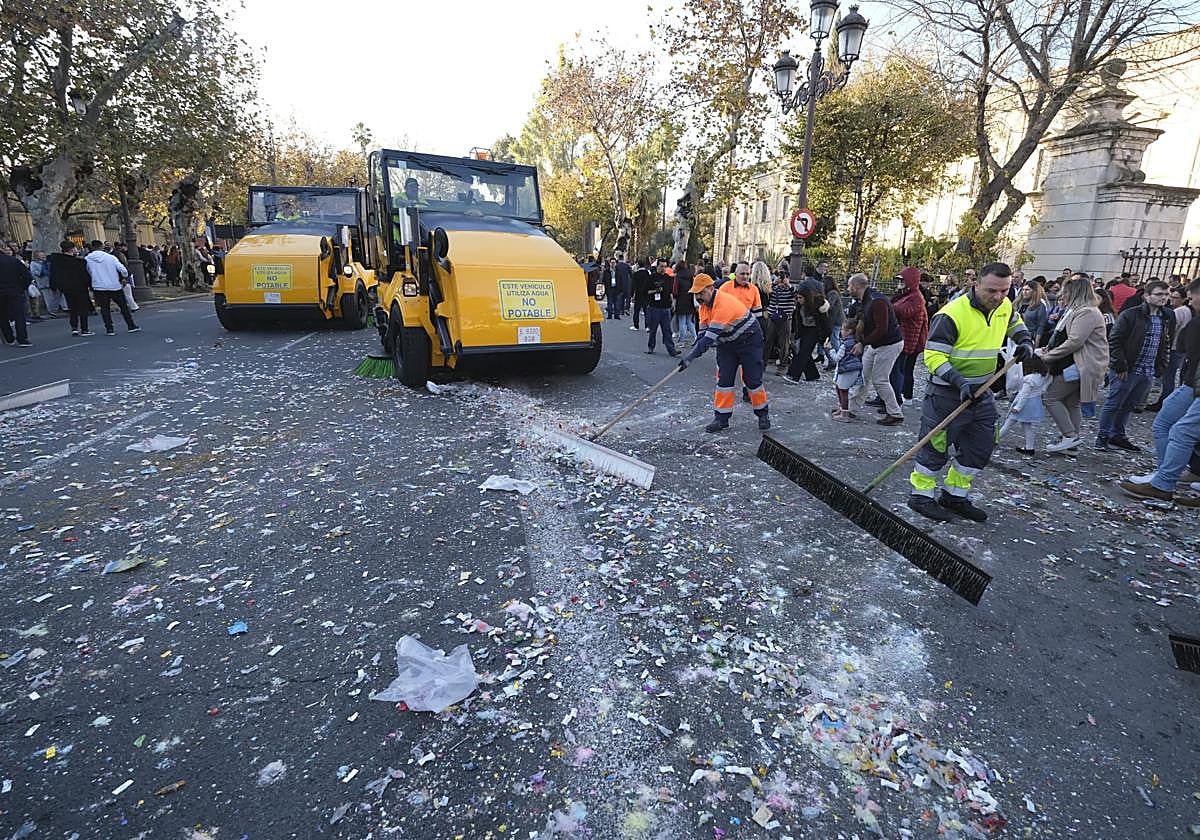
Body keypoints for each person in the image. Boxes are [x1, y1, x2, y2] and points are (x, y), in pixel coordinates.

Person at [907, 262, 1033, 522]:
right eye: (992, 291)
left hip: (983, 392)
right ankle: (921, 495)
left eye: (1005, 290)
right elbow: (933, 357)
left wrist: (1024, 341)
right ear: (976, 284)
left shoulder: (1004, 306)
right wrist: (959, 381)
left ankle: (954, 495)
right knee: (935, 446)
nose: (998, 297)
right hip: (947, 394)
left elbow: (1015, 322)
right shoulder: (952, 314)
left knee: (981, 445)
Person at [676, 273, 770, 432]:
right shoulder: (704, 307)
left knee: (752, 380)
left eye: (701, 293)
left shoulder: (723, 304)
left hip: (749, 341)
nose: (698, 297)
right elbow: (702, 334)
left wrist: (690, 358)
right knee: (724, 380)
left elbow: (708, 340)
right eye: (696, 294)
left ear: (711, 289)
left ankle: (763, 414)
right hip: (727, 343)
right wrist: (690, 355)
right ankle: (721, 419)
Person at [1096, 279, 1174, 452]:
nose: (1164, 298)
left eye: (1166, 294)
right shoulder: (1131, 314)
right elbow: (1115, 341)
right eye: (1159, 294)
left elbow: (1166, 341)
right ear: (1147, 296)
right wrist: (1120, 365)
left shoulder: (1167, 316)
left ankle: (1117, 435)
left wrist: (1162, 365)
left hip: (1148, 369)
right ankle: (1102, 436)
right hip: (1128, 367)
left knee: (1130, 404)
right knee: (1114, 403)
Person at [1038, 275, 1110, 454]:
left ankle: (1070, 435)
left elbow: (1075, 341)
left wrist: (1049, 356)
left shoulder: (1086, 312)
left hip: (1082, 365)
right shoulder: (1083, 310)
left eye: (1066, 293)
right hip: (1082, 364)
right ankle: (1072, 443)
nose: (1063, 296)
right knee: (1072, 403)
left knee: (1050, 397)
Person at [845, 273, 905, 425]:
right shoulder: (866, 300)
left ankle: (895, 413)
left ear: (856, 287)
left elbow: (881, 329)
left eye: (849, 286)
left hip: (889, 344)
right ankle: (851, 409)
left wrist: (862, 343)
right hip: (876, 344)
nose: (847, 289)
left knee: (880, 380)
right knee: (863, 377)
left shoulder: (876, 301)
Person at [889, 267, 929, 408]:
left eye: (902, 280)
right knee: (896, 370)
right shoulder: (905, 295)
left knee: (901, 370)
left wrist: (887, 306)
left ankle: (899, 398)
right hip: (903, 338)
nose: (899, 283)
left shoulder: (915, 297)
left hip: (909, 340)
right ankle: (891, 398)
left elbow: (903, 312)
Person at [85, 240, 139, 335]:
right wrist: (124, 277)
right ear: (102, 247)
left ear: (92, 247)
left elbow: (88, 271)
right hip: (114, 285)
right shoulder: (111, 257)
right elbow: (122, 269)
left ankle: (109, 329)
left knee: (104, 308)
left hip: (99, 286)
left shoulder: (88, 259)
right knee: (123, 307)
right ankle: (131, 325)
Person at [999, 357, 1050, 455]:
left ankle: (993, 440)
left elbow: (1024, 395)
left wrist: (1017, 407)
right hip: (1034, 403)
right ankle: (1029, 448)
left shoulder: (1029, 379)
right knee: (1027, 426)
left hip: (1024, 405)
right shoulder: (1042, 376)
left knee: (1009, 423)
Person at [48, 240, 95, 336]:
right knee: (83, 308)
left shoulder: (56, 261)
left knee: (72, 308)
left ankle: (74, 328)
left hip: (66, 287)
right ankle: (84, 329)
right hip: (80, 287)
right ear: (72, 249)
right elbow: (85, 276)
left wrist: (54, 287)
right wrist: (91, 286)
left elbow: (53, 275)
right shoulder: (80, 262)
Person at [0, 242, 34, 346]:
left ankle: (9, 338)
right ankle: (22, 339)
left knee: (2, 316)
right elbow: (27, 277)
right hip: (14, 290)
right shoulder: (13, 261)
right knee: (19, 315)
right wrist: (21, 287)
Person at [830, 317, 864, 420]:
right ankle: (842, 409)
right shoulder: (855, 341)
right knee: (840, 388)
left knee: (843, 390)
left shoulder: (845, 344)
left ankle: (844, 414)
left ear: (848, 331)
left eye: (842, 329)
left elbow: (837, 358)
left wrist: (829, 350)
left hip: (847, 369)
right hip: (851, 368)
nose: (841, 331)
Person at [644, 262, 679, 356]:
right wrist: (655, 291)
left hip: (666, 308)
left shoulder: (668, 278)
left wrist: (672, 303)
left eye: (665, 266)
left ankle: (671, 350)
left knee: (667, 330)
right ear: (657, 267)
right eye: (661, 266)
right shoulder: (652, 277)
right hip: (654, 307)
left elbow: (670, 292)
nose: (663, 268)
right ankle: (651, 347)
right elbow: (646, 291)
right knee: (653, 329)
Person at [763, 271, 795, 374]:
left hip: (785, 320)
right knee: (768, 341)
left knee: (784, 343)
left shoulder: (791, 289)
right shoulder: (774, 289)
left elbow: (796, 294)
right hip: (773, 318)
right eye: (781, 278)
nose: (782, 280)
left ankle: (782, 366)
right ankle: (763, 363)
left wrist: (788, 284)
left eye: (784, 277)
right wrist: (774, 282)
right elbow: (765, 291)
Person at [1018, 281, 1048, 347]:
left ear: (1034, 291)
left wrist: (1036, 343)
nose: (1024, 292)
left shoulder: (1040, 305)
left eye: (1027, 290)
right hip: (1016, 336)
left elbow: (1041, 326)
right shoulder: (1018, 303)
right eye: (1023, 289)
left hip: (1030, 336)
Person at [673, 261, 697, 344]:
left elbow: (675, 291)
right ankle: (695, 337)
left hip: (681, 300)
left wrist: (674, 301)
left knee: (681, 321)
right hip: (690, 300)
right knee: (689, 321)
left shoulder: (678, 276)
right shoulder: (691, 276)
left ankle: (682, 340)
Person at [630, 260, 651, 330]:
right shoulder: (647, 273)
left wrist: (632, 295)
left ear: (638, 265)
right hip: (646, 294)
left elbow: (633, 286)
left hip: (638, 294)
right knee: (646, 311)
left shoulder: (636, 274)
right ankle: (647, 326)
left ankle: (636, 325)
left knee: (636, 310)